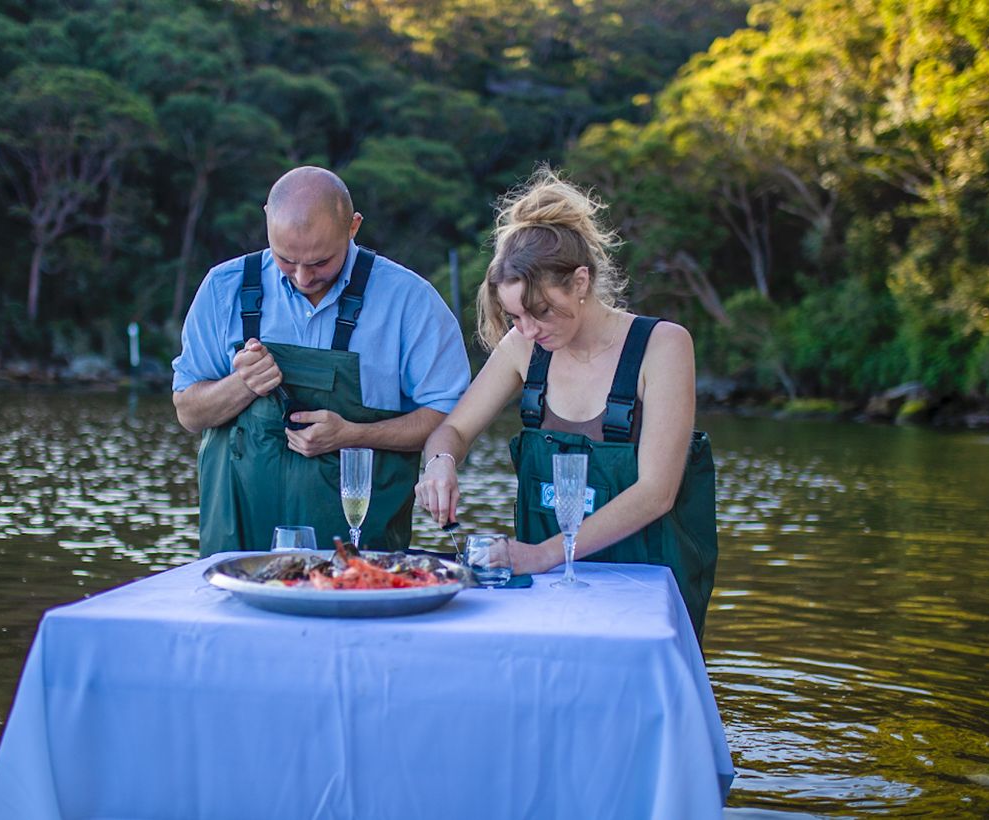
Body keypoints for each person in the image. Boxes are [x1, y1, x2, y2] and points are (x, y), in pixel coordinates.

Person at [414, 169, 718, 636]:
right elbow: (452, 430)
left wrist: (540, 554)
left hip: (645, 591)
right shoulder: (522, 346)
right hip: (547, 597)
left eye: (541, 312)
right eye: (515, 316)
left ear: (581, 281)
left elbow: (658, 491)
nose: (529, 330)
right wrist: (439, 463)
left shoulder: (663, 346)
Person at [173, 166, 470, 555]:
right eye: (285, 259)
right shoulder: (221, 288)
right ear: (267, 219)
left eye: (319, 262)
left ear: (353, 227)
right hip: (237, 555)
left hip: (362, 558)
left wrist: (353, 435)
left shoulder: (410, 300)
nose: (301, 277)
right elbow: (188, 414)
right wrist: (241, 385)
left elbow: (449, 417)